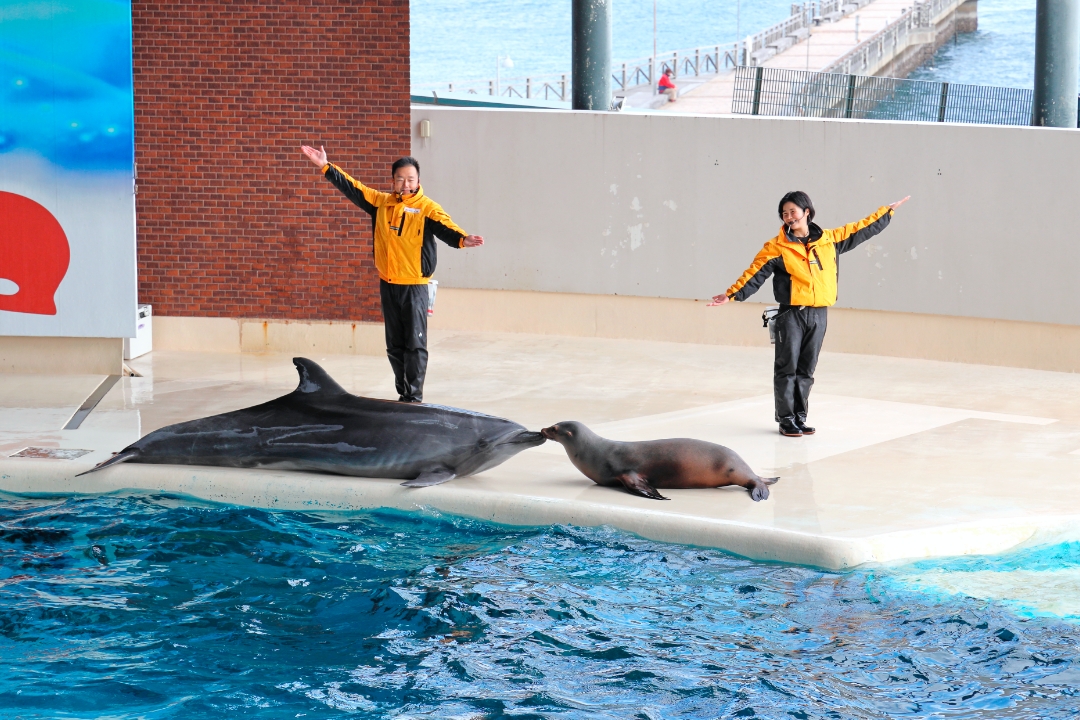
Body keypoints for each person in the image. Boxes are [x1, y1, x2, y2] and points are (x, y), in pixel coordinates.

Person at [708, 191, 910, 437]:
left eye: (793, 211)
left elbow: (861, 229)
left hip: (818, 315)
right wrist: (731, 294)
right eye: (784, 213)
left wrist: (887, 211)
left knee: (806, 370)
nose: (789, 217)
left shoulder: (829, 240)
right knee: (787, 368)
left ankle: (800, 416)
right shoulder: (776, 247)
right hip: (790, 315)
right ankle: (786, 419)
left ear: (807, 212)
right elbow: (755, 273)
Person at [300, 145, 484, 403]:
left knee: (415, 345)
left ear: (418, 181)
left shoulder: (427, 209)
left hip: (414, 287)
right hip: (388, 284)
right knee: (394, 345)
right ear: (393, 181)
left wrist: (463, 239)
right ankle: (404, 393)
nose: (405, 184)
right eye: (400, 178)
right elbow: (353, 187)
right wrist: (325, 166)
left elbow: (446, 228)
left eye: (410, 179)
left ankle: (415, 398)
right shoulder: (380, 203)